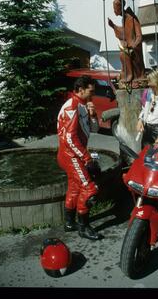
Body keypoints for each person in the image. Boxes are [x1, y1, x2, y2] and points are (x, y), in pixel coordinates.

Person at [57, 75, 102, 240]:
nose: (93, 95)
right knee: (90, 189)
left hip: (73, 154)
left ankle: (69, 223)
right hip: (71, 155)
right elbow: (69, 138)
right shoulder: (72, 106)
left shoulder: (83, 105)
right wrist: (87, 158)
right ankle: (83, 227)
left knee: (75, 188)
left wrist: (92, 114)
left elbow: (95, 129)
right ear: (80, 89)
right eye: (91, 91)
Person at [108, 0, 145, 83]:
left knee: (123, 54)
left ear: (120, 7)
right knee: (122, 53)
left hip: (135, 49)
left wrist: (134, 45)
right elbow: (124, 33)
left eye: (115, 8)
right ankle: (128, 74)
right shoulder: (124, 19)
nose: (114, 10)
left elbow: (139, 36)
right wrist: (113, 25)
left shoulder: (132, 18)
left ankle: (130, 75)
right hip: (129, 46)